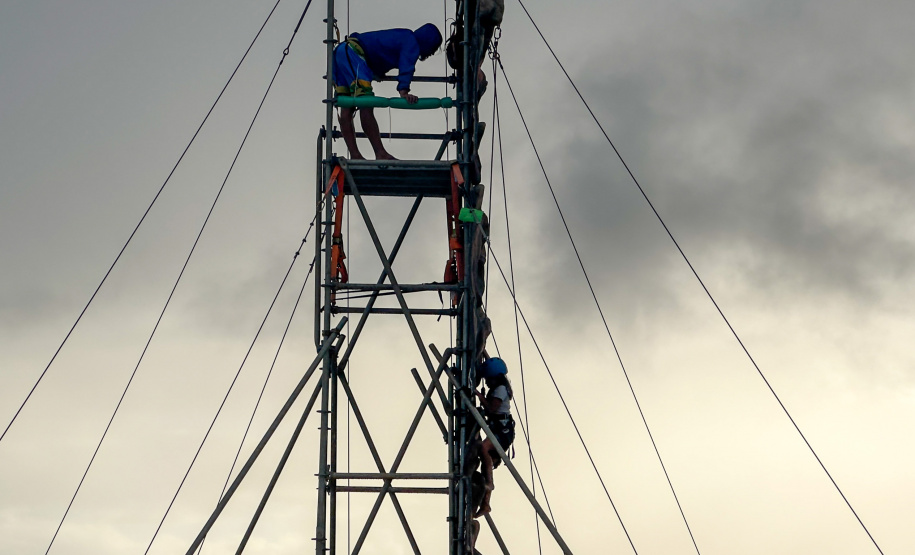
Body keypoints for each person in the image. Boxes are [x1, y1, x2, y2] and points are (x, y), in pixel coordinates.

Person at [332, 23, 443, 160]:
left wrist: (378, 72)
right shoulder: (411, 41)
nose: (431, 53)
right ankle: (380, 153)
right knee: (365, 103)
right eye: (433, 49)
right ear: (429, 43)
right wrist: (404, 91)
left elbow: (379, 49)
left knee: (346, 106)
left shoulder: (403, 35)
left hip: (343, 52)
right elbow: (406, 65)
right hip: (354, 54)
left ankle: (356, 155)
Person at [474, 356, 514, 517]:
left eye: (487, 379)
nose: (486, 382)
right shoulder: (499, 387)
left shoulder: (500, 390)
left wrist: (478, 394)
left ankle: (489, 482)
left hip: (502, 431)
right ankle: (485, 504)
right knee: (486, 464)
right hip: (498, 428)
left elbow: (491, 409)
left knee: (484, 448)